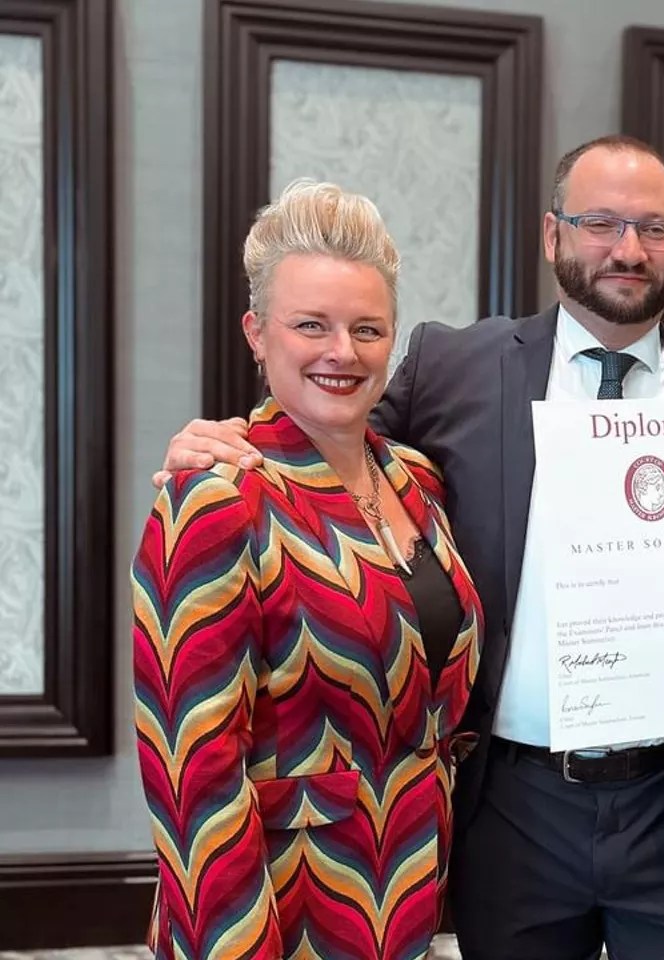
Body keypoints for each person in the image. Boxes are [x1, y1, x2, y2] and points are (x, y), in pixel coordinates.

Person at [155, 135, 664, 960]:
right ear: (552, 236)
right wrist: (223, 441)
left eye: (656, 228)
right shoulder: (455, 367)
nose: (629, 249)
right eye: (601, 223)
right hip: (513, 807)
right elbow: (331, 437)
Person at [132, 179, 483, 960]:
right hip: (278, 912)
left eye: (367, 329)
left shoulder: (416, 482)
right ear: (257, 333)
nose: (342, 352)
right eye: (310, 326)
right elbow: (192, 771)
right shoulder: (216, 497)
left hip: (403, 893)